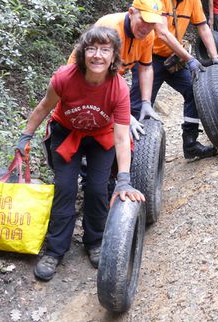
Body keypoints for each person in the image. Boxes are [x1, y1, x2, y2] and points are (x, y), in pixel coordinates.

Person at [16, 26, 145, 281]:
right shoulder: (64, 77)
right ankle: (54, 251)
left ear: (113, 56)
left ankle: (95, 242)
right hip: (67, 132)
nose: (98, 55)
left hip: (101, 136)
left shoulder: (118, 87)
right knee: (65, 188)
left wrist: (124, 178)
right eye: (92, 49)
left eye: (105, 50)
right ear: (82, 52)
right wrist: (25, 136)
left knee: (98, 189)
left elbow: (121, 137)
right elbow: (44, 107)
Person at [130, 0, 218, 160]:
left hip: (173, 58)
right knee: (139, 107)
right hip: (149, 58)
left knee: (194, 90)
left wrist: (215, 57)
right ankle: (130, 160)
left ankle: (190, 145)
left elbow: (202, 26)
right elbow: (162, 33)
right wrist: (190, 59)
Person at [68, 0, 166, 141]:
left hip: (110, 78)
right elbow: (98, 77)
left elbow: (145, 68)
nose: (147, 27)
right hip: (83, 77)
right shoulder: (111, 28)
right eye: (144, 20)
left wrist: (146, 102)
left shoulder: (148, 35)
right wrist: (125, 116)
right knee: (94, 124)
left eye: (152, 23)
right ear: (131, 12)